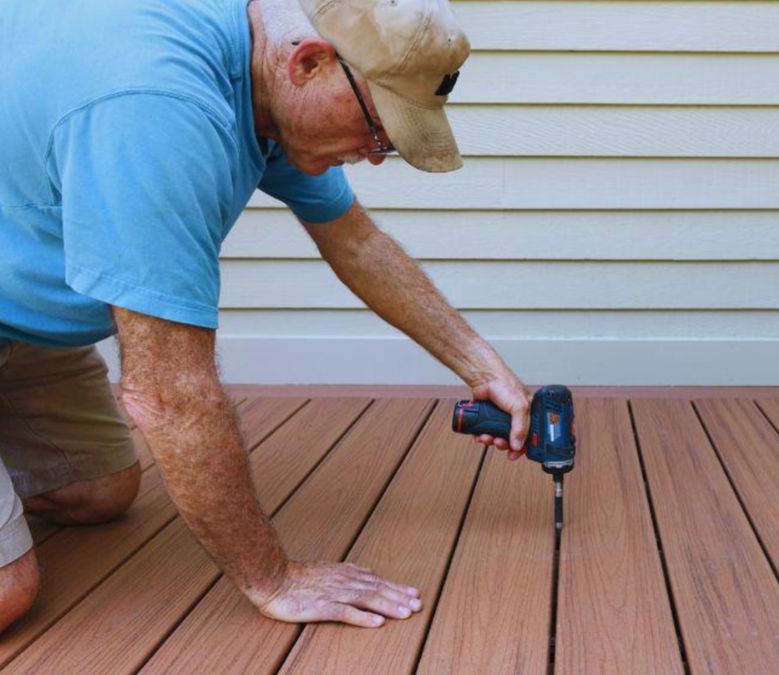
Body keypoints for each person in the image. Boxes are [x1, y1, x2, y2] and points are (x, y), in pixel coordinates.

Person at [0, 0, 530, 631]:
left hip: (22, 325)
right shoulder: (157, 109)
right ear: (310, 63)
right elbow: (167, 395)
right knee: (10, 592)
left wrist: (481, 365)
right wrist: (274, 578)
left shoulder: (264, 74)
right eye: (380, 129)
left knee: (98, 492)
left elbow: (355, 241)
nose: (377, 154)